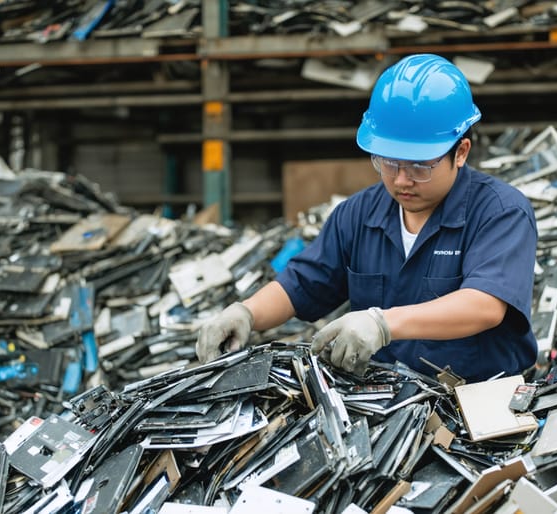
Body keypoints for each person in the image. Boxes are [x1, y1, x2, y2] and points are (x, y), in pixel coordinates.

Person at [196, 53, 538, 383]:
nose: (402, 180)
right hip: (387, 408)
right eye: (389, 162)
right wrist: (245, 313)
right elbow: (303, 283)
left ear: (460, 152)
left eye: (420, 166)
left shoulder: (500, 211)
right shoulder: (358, 215)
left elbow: (484, 305)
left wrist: (382, 323)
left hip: (479, 407)